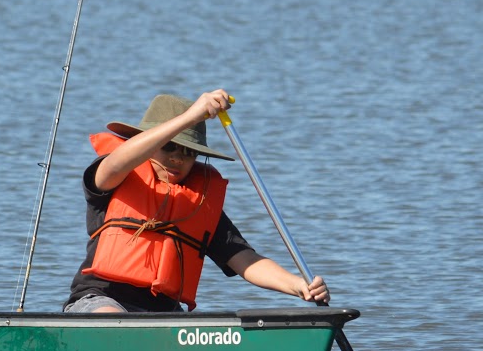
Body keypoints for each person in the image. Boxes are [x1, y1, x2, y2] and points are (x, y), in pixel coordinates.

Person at [64, 90, 329, 313]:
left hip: (164, 313)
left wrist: (298, 286)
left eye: (189, 153)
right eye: (168, 146)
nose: (178, 159)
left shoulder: (198, 205)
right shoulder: (114, 177)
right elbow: (118, 161)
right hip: (100, 300)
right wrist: (192, 116)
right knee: (115, 322)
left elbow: (246, 260)